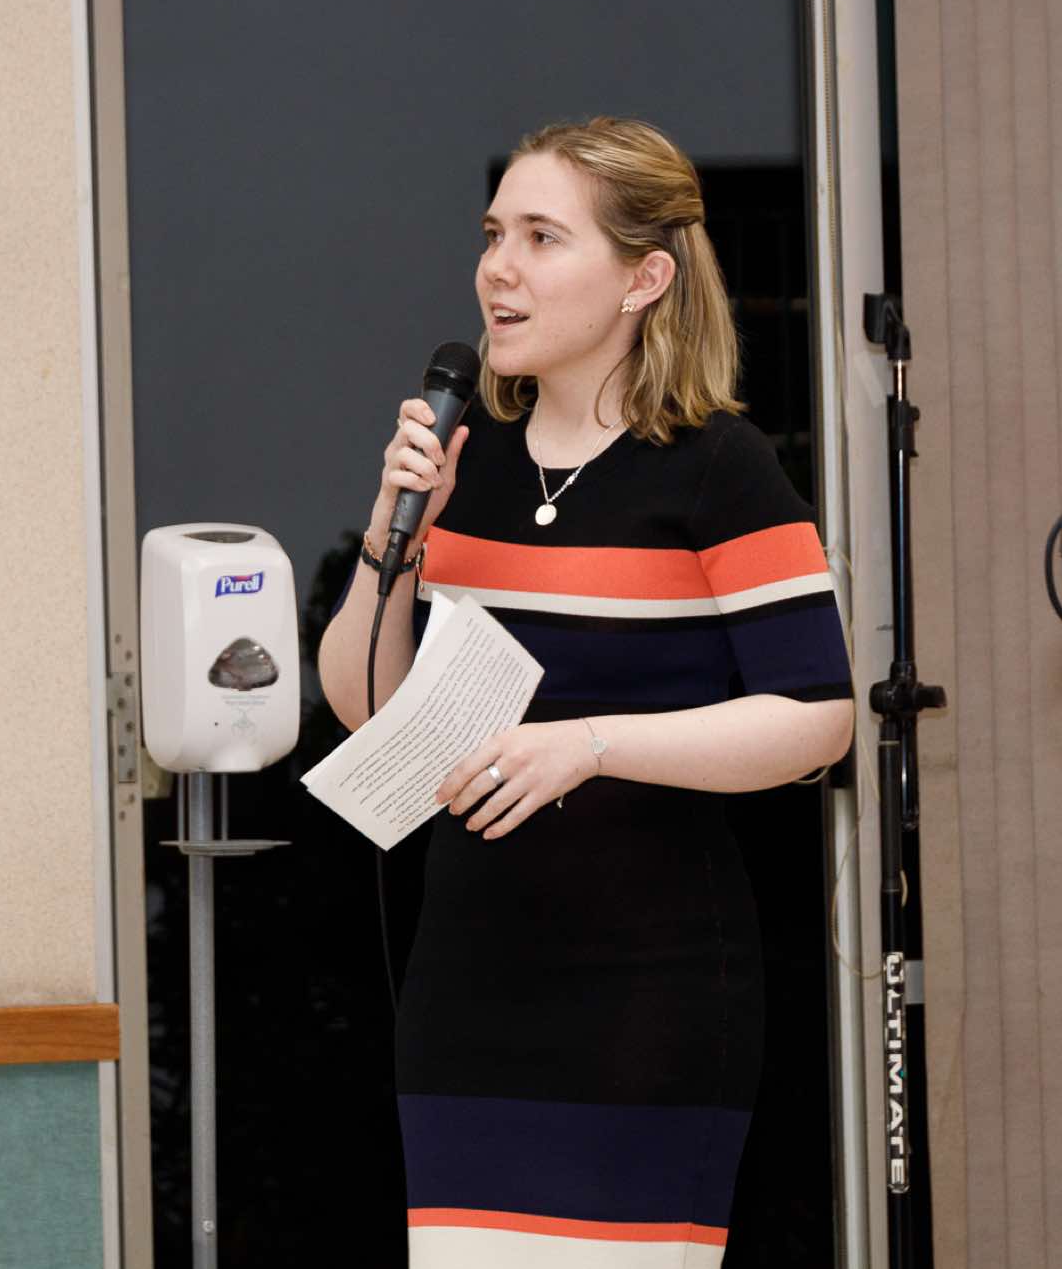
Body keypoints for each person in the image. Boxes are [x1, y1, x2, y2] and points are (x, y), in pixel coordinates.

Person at [318, 117, 854, 1267]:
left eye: (540, 237)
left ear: (641, 279)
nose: (496, 268)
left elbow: (816, 718)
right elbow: (367, 702)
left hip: (647, 991)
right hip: (465, 986)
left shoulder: (718, 467)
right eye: (491, 234)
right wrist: (390, 533)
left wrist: (591, 744)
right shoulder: (467, 466)